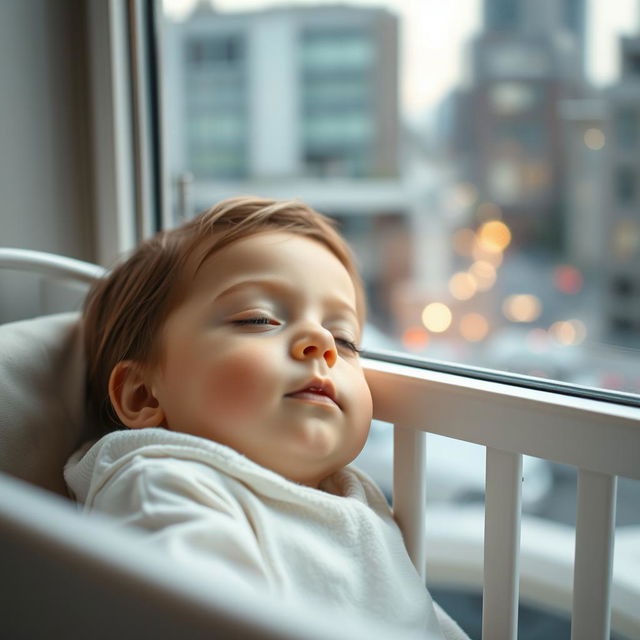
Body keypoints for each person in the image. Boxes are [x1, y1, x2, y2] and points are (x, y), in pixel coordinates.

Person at [65, 196, 466, 639]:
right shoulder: (161, 485)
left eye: (345, 339)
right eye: (258, 319)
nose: (321, 342)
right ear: (143, 395)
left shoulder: (353, 497)